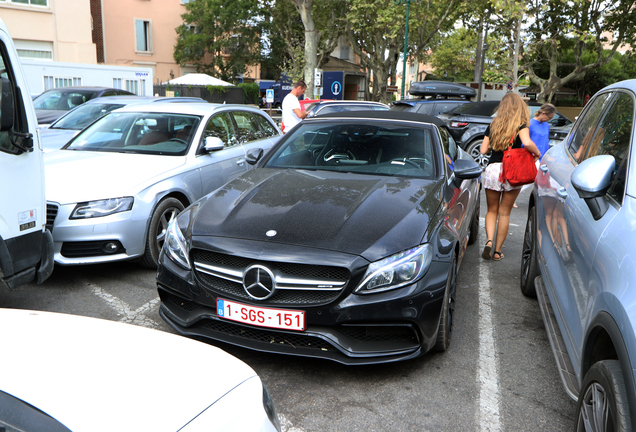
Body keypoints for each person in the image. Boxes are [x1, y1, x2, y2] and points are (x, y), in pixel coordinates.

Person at [480, 93, 541, 261]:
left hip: (493, 170)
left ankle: (489, 241)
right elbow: (527, 143)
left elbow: (483, 150)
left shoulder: (493, 124)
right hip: (513, 171)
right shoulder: (520, 124)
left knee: (492, 210)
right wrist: (537, 153)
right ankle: (498, 251)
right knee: (504, 212)